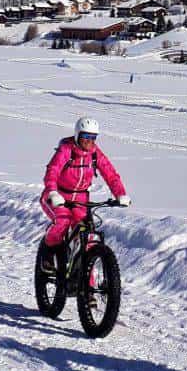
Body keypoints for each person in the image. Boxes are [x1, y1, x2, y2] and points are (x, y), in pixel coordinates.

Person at [39, 117, 130, 273]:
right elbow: (52, 171)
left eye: (93, 138)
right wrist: (53, 192)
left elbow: (111, 174)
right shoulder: (66, 150)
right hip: (57, 195)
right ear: (77, 135)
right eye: (85, 137)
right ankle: (47, 252)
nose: (89, 141)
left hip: (81, 200)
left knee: (87, 240)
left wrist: (120, 194)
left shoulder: (95, 154)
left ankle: (87, 292)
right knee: (62, 222)